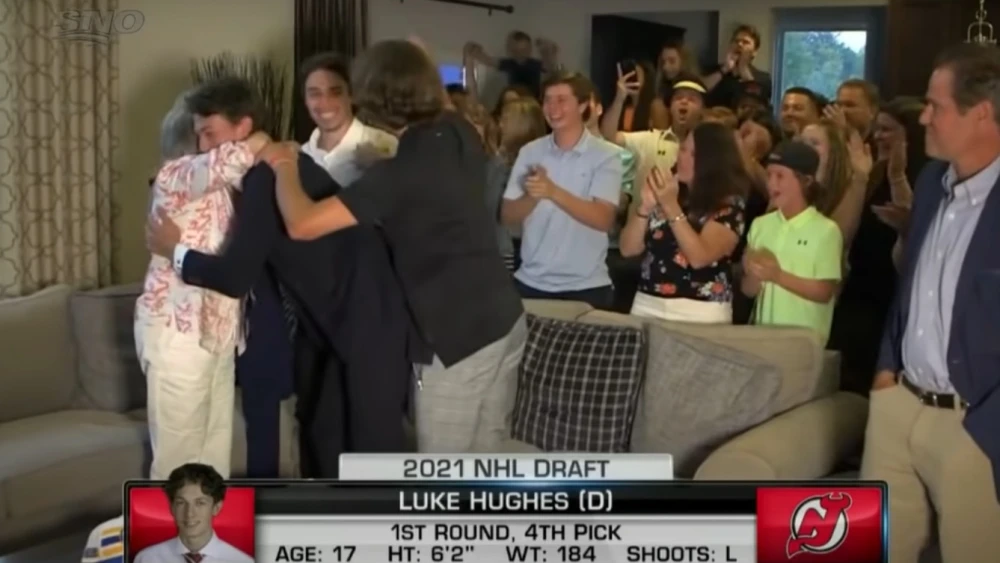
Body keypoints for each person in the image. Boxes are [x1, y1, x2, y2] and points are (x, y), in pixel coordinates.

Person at [257, 39, 525, 453]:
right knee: (484, 461)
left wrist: (283, 163)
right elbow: (435, 98)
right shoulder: (456, 130)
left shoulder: (396, 177)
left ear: (369, 102)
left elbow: (303, 224)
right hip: (505, 319)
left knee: (439, 477)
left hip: (456, 340)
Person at [144, 77, 414, 477]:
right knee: (324, 445)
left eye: (209, 134)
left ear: (242, 128)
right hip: (325, 326)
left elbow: (235, 275)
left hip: (370, 323)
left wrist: (175, 251)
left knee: (369, 457)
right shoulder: (259, 171)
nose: (203, 147)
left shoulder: (266, 176)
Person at [864, 43, 1000, 562]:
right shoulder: (930, 181)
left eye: (934, 106)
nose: (923, 117)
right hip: (898, 404)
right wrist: (885, 369)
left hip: (973, 426)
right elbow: (911, 287)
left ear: (981, 113)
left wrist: (988, 428)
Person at [135, 92, 269, 480]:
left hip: (218, 335)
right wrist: (257, 139)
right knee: (178, 462)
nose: (209, 144)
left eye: (211, 133)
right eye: (202, 135)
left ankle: (211, 540)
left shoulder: (218, 187)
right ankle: (166, 541)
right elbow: (245, 153)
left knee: (213, 456)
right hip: (178, 335)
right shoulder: (176, 174)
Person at [502, 72, 623, 308]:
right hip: (531, 282)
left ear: (583, 105)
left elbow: (603, 219)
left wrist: (553, 191)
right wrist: (532, 197)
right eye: (547, 100)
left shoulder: (607, 155)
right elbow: (507, 216)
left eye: (561, 100)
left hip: (587, 286)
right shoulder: (530, 151)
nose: (552, 107)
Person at [621, 122, 748, 323]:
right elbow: (628, 249)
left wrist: (671, 206)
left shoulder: (729, 204)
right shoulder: (671, 191)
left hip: (700, 307)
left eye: (693, 154)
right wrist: (644, 207)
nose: (682, 157)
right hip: (648, 301)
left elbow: (699, 257)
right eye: (682, 149)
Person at [742, 141, 842, 345]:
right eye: (769, 175)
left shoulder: (826, 230)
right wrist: (753, 274)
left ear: (805, 181)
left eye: (780, 176)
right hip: (763, 338)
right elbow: (748, 290)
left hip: (803, 344)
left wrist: (777, 276)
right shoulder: (761, 224)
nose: (772, 184)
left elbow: (824, 291)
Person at [298, 51, 397, 185]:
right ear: (305, 101)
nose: (325, 102)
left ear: (352, 95)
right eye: (315, 94)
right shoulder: (298, 158)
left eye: (335, 92)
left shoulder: (386, 146)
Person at [134, 463, 252, 563]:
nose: (189, 513)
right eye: (181, 503)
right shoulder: (147, 559)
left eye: (200, 503)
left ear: (216, 507)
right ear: (171, 507)